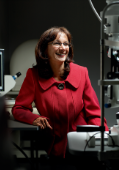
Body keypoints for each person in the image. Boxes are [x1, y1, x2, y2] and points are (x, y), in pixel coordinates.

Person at [12, 26, 109, 158]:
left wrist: (102, 140)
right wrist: (35, 119)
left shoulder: (81, 72)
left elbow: (95, 113)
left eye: (66, 44)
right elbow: (19, 108)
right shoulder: (33, 75)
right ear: (45, 49)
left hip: (82, 142)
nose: (63, 48)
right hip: (53, 143)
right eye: (57, 43)